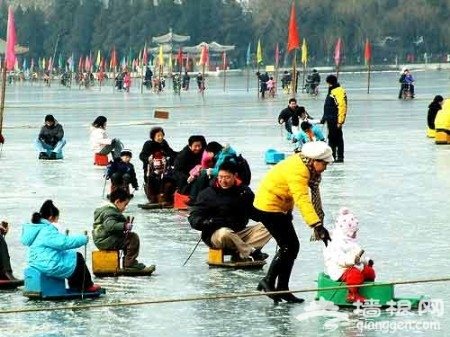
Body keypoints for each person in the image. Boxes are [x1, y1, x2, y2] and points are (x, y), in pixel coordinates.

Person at [253, 141, 333, 303]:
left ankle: (282, 288)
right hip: (269, 206)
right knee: (288, 246)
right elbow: (302, 199)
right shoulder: (299, 171)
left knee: (291, 246)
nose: (325, 168)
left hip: (280, 205)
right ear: (315, 161)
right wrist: (317, 225)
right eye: (324, 164)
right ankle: (268, 281)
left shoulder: (304, 164)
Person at [188, 161, 271, 262]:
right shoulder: (207, 194)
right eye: (220, 177)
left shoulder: (244, 192)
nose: (223, 180)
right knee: (224, 233)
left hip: (239, 232)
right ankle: (251, 252)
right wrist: (206, 223)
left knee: (270, 226)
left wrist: (273, 214)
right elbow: (194, 215)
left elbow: (255, 213)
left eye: (227, 177)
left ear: (235, 176)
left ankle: (242, 253)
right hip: (217, 235)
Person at [21, 200, 100, 292]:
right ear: (51, 218)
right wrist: (83, 239)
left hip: (36, 263)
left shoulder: (36, 228)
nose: (57, 221)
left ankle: (76, 285)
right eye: (56, 219)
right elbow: (63, 243)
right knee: (77, 257)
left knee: (69, 257)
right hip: (48, 264)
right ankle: (86, 286)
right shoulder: (47, 230)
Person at [93, 189, 154, 272]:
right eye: (125, 205)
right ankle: (130, 264)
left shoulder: (107, 210)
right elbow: (110, 226)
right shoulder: (110, 212)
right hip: (105, 240)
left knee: (126, 238)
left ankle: (128, 262)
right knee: (132, 238)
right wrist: (124, 226)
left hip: (103, 239)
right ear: (117, 202)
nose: (125, 208)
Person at [324, 207, 375, 303]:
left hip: (353, 266)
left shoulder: (351, 242)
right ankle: (352, 295)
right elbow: (339, 259)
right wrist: (352, 260)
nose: (355, 234)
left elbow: (358, 254)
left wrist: (366, 261)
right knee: (354, 274)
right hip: (340, 270)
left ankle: (368, 290)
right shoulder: (335, 243)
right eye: (353, 232)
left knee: (369, 272)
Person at [139, 127, 178, 204]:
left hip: (165, 172)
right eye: (158, 136)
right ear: (153, 136)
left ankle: (165, 198)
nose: (160, 137)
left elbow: (172, 154)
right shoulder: (148, 144)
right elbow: (142, 155)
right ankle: (153, 198)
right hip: (151, 172)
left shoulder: (164, 144)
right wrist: (148, 158)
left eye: (161, 135)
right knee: (151, 179)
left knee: (171, 180)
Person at [321, 74, 347, 163]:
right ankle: (332, 156)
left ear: (329, 82)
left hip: (335, 119)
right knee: (331, 138)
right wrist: (324, 118)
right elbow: (328, 106)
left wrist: (340, 121)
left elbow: (342, 106)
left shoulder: (338, 91)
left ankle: (339, 157)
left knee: (337, 138)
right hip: (330, 119)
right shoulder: (332, 91)